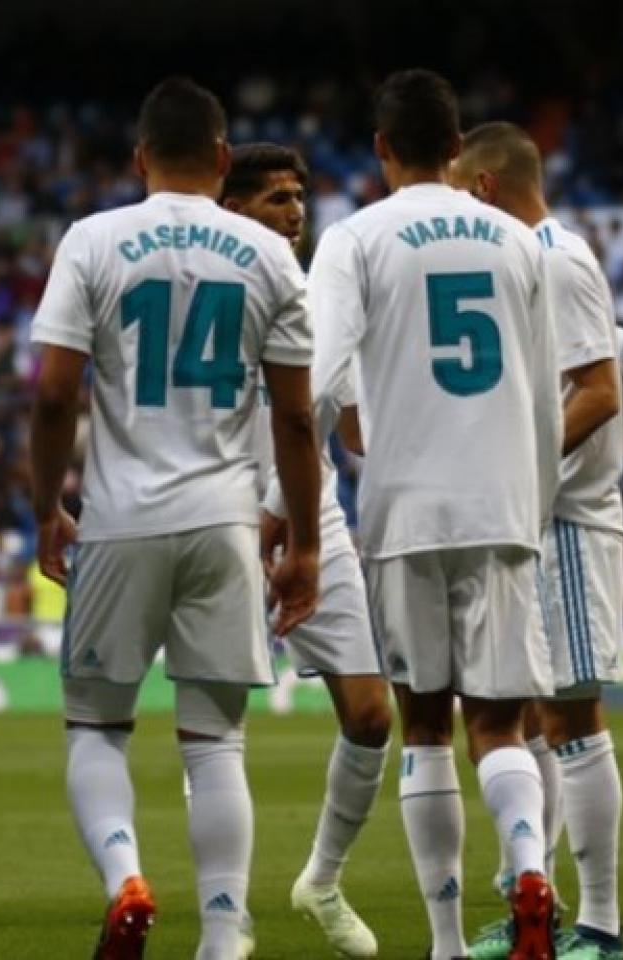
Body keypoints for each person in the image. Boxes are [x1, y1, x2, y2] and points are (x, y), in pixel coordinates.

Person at [29, 78, 324, 960]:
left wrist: (48, 505)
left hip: (119, 519)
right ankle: (226, 931)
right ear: (225, 160)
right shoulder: (269, 256)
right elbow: (298, 418)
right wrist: (304, 543)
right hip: (228, 521)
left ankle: (126, 877)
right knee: (214, 742)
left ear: (139, 159)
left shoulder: (93, 239)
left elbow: (51, 395)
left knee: (95, 728)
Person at [307, 70, 563, 960]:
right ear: (459, 149)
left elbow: (318, 378)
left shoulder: (354, 239)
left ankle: (449, 945)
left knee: (424, 730)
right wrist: (531, 505)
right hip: (503, 506)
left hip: (406, 510)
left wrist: (288, 502)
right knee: (499, 726)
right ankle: (531, 870)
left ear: (380, 148)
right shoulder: (521, 242)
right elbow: (543, 398)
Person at [451, 122, 623, 960]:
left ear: (487, 188)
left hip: (560, 519)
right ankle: (541, 903)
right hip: (543, 514)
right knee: (531, 709)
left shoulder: (554, 257)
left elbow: (601, 397)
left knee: (572, 709)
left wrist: (536, 472)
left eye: (463, 193)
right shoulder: (538, 259)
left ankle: (601, 925)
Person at [220, 142, 391, 959]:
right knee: (213, 723)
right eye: (274, 200)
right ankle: (228, 909)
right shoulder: (204, 302)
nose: (293, 213)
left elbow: (352, 430)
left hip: (308, 521)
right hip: (220, 520)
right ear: (230, 211)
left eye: (298, 199)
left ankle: (321, 879)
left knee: (371, 713)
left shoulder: (325, 305)